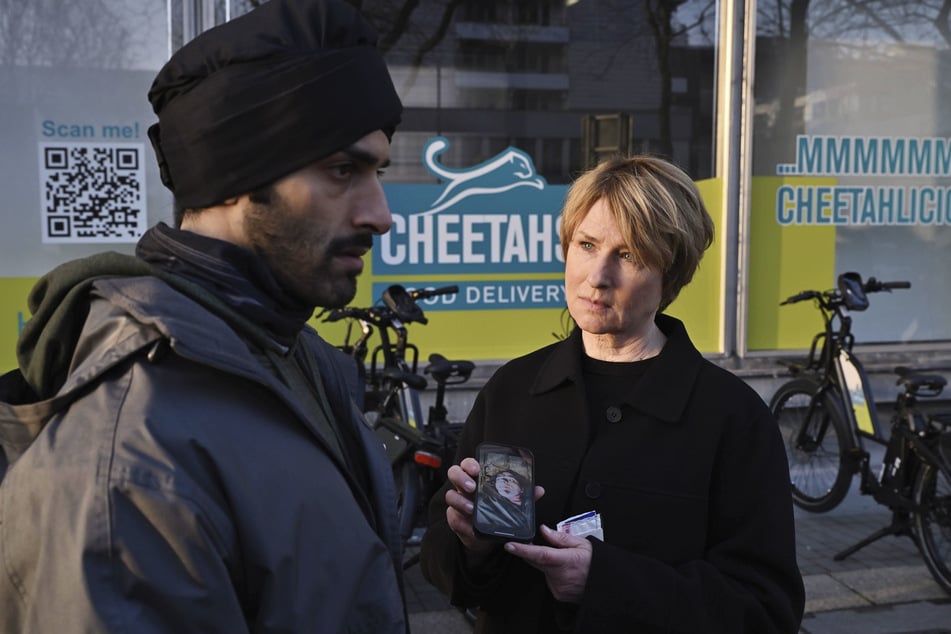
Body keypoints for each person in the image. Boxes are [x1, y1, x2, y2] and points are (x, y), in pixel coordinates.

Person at [0, 1, 408, 632]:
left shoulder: (288, 356)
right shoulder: (129, 455)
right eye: (341, 170)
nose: (380, 214)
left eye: (377, 171)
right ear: (233, 178)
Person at [419, 155, 805, 633]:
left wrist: (604, 582)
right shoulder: (511, 389)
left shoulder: (732, 418)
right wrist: (471, 548)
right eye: (586, 245)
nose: (597, 276)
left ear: (671, 272)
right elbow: (443, 567)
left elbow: (766, 611)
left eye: (628, 255)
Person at [474, 468, 533, 538]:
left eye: (511, 480)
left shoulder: (531, 505)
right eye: (499, 479)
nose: (503, 481)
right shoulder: (484, 504)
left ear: (522, 489)